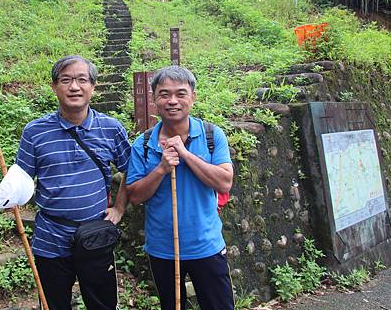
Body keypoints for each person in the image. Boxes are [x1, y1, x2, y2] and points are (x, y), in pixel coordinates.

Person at [14, 55, 131, 310]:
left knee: (102, 304)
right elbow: (21, 179)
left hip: (95, 234)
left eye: (81, 80)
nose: (74, 87)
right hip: (50, 236)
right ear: (54, 86)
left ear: (93, 86)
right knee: (53, 305)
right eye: (65, 80)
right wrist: (6, 194)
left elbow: (130, 169)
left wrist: (119, 208)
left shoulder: (111, 129)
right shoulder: (35, 132)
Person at [126, 65, 235, 310]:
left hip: (206, 245)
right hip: (162, 249)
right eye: (164, 94)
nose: (172, 100)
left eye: (180, 94)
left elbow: (224, 181)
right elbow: (134, 195)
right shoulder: (143, 144)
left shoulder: (211, 135)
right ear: (154, 99)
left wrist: (185, 154)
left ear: (193, 97)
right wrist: (161, 169)